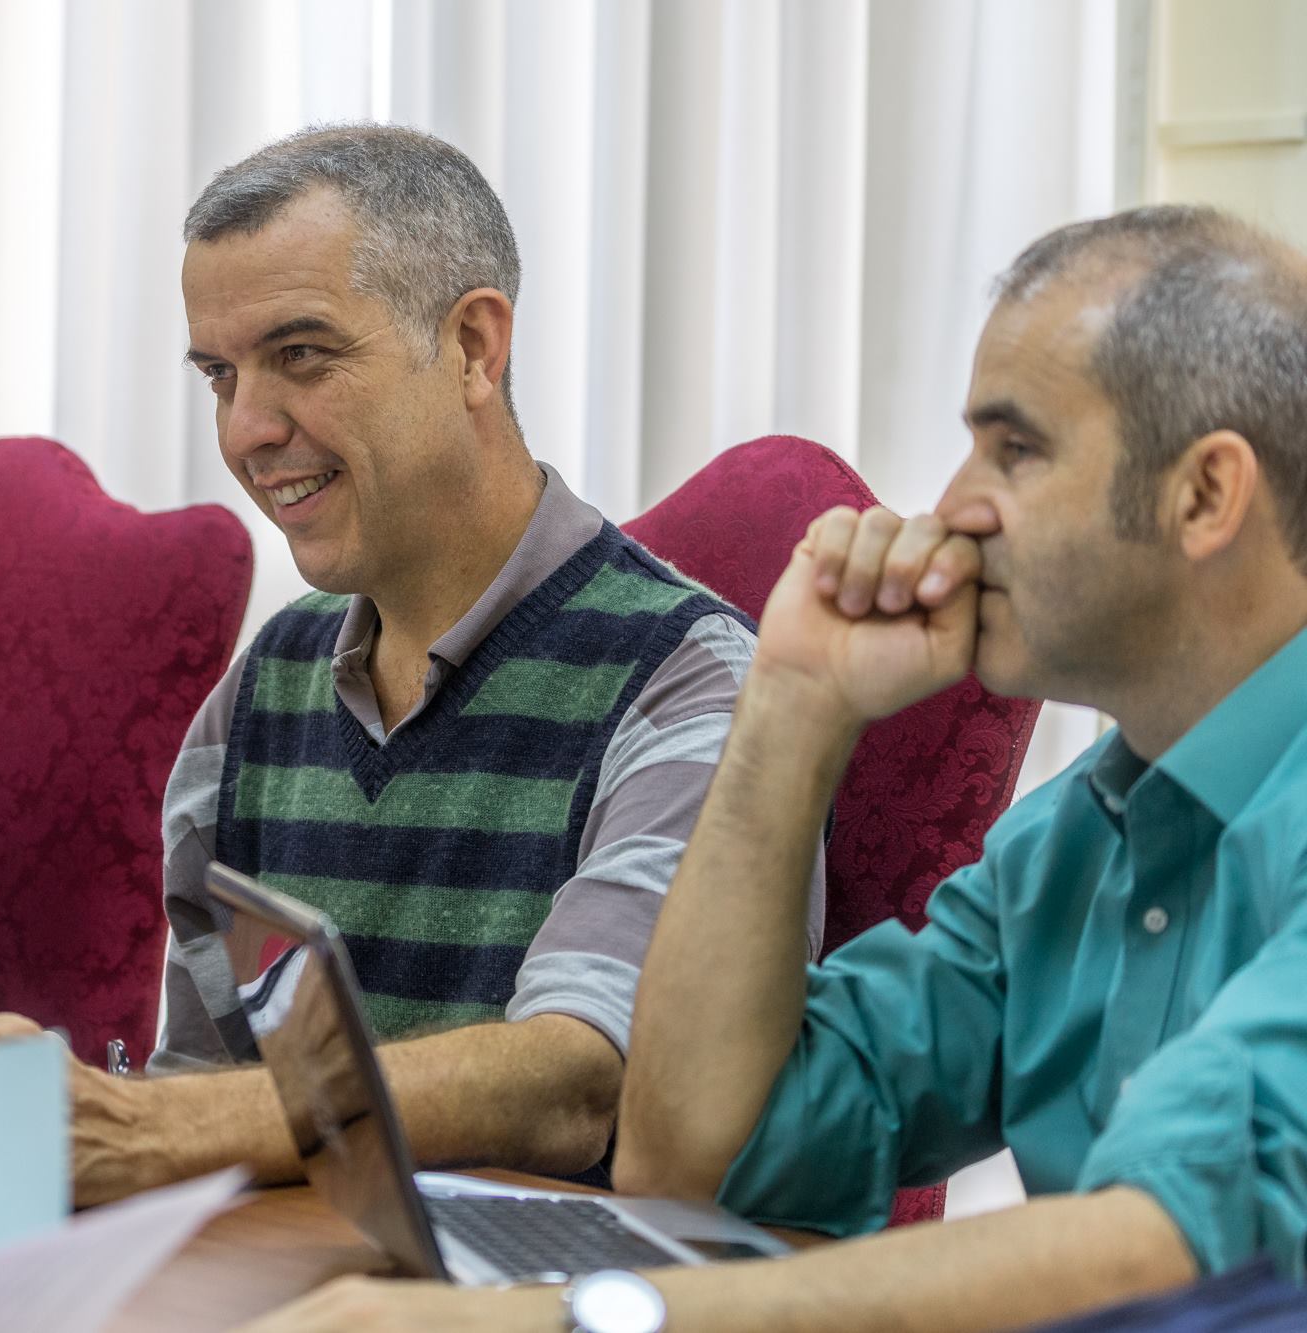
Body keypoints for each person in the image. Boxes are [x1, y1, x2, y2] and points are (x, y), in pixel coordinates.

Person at [239, 203, 1307, 1329]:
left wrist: (555, 1321)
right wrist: (792, 708)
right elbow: (691, 1155)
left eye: (1016, 449)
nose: (951, 506)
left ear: (1203, 495)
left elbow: (1175, 1249)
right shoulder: (1069, 848)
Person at [0, 125, 820, 1207]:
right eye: (219, 375)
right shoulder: (261, 688)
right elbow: (205, 1091)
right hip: (297, 1268)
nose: (247, 430)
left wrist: (144, 1124)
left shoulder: (688, 679)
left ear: (473, 347)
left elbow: (586, 1079)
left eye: (302, 355)